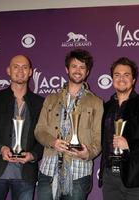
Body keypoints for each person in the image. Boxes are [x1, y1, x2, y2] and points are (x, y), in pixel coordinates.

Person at [0, 55, 44, 200]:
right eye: (15, 67)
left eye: (25, 67)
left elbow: (44, 137)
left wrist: (33, 155)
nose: (20, 71)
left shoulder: (40, 103)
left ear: (30, 72)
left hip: (26, 175)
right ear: (8, 71)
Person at [35, 49, 103, 200]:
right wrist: (53, 142)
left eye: (82, 67)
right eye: (74, 66)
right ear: (67, 69)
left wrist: (88, 153)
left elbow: (98, 137)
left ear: (87, 72)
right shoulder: (50, 99)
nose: (78, 70)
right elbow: (39, 130)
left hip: (79, 172)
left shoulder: (96, 103)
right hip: (49, 171)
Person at [99, 57, 139, 200]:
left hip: (137, 176)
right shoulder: (105, 107)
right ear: (112, 79)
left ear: (133, 80)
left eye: (126, 75)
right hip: (109, 176)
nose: (121, 78)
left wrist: (129, 144)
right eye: (117, 75)